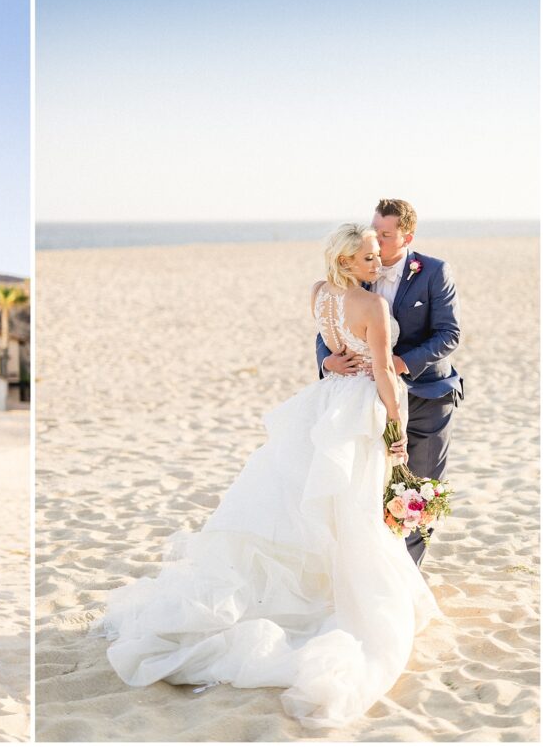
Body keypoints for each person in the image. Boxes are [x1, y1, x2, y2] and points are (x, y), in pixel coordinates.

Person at [96, 224, 440, 728]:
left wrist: (332, 360)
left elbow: (332, 348)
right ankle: (342, 593)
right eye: (367, 259)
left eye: (376, 256)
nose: (376, 264)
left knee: (314, 499)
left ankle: (321, 584)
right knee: (351, 504)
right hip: (360, 408)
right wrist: (396, 427)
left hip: (328, 402)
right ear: (345, 262)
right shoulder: (373, 308)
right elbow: (385, 372)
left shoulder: (319, 295)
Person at [318, 199, 462, 566]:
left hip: (428, 395)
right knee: (369, 488)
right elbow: (329, 324)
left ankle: (408, 573)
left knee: (418, 489)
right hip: (367, 400)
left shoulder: (433, 271)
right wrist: (327, 359)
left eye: (384, 235)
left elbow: (448, 334)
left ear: (406, 236)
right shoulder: (354, 269)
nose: (374, 240)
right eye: (374, 230)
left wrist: (399, 363)